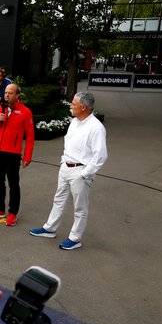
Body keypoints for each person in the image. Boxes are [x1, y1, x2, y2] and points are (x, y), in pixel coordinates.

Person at [30, 91, 107, 250]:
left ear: (83, 107)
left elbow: (100, 156)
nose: (71, 106)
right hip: (66, 167)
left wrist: (85, 174)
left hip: (80, 171)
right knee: (58, 199)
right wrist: (64, 160)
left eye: (73, 103)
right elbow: (69, 144)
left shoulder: (96, 128)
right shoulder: (74, 122)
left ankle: (75, 238)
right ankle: (50, 229)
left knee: (80, 207)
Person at [0, 83, 35, 227]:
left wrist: (27, 156)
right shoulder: (0, 109)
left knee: (13, 183)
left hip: (13, 153)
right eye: (6, 92)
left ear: (17, 95)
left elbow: (30, 136)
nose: (7, 95)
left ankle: (13, 213)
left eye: (10, 93)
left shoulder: (25, 112)